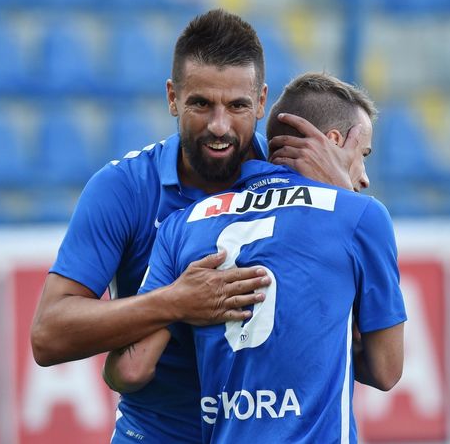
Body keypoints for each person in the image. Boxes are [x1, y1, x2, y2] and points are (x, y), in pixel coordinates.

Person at [30, 10, 358, 444]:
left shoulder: (300, 181)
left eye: (237, 106)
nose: (219, 126)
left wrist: (344, 205)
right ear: (172, 97)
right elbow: (48, 334)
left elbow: (366, 345)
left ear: (261, 102)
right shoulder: (125, 189)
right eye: (201, 104)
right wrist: (176, 302)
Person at [103, 72, 407, 444]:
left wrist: (180, 308)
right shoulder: (361, 215)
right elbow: (387, 369)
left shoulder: (184, 223)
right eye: (363, 155)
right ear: (332, 141)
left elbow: (129, 371)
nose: (364, 178)